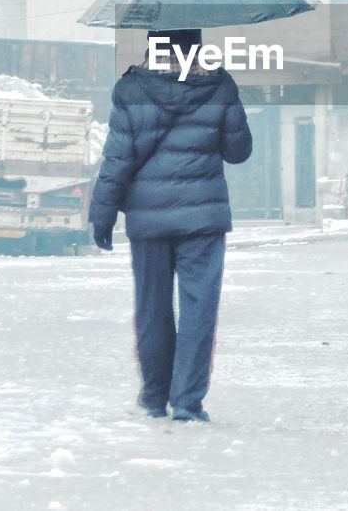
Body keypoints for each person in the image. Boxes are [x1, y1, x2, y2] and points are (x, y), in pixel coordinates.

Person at [89, 28, 253, 423]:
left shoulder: (131, 88)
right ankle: (187, 402)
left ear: (152, 45)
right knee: (199, 310)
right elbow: (239, 151)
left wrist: (102, 214)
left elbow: (117, 160)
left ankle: (155, 395)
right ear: (197, 45)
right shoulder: (218, 84)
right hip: (203, 219)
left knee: (152, 309)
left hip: (148, 220)